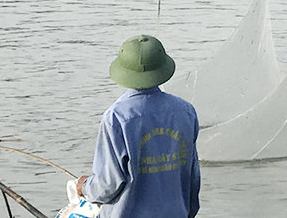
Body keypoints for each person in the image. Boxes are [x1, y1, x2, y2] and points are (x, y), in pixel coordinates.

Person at [75, 35, 200, 218]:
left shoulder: (116, 117)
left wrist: (84, 187)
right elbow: (192, 176)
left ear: (123, 72)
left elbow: (108, 185)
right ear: (162, 68)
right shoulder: (186, 112)